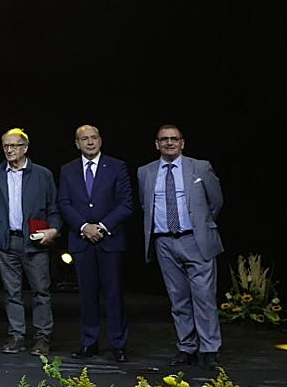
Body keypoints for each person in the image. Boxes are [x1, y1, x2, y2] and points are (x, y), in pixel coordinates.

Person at [137, 124, 224, 368]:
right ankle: (186, 347)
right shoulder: (145, 172)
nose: (169, 143)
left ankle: (209, 348)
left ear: (182, 143)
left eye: (174, 139)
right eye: (164, 139)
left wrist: (201, 226)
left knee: (204, 297)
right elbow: (146, 206)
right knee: (178, 299)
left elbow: (216, 202)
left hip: (195, 239)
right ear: (157, 144)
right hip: (164, 241)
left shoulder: (200, 167)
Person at [57, 124, 135, 362]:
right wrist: (84, 227)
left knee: (113, 294)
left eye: (93, 138)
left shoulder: (116, 166)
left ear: (100, 141)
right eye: (84, 139)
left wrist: (100, 227)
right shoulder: (68, 169)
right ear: (77, 143)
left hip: (109, 240)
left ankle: (117, 344)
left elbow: (125, 204)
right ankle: (89, 342)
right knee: (86, 295)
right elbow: (64, 203)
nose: (89, 142)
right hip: (82, 241)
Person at [0, 128, 62, 357]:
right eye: (6, 146)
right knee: (12, 292)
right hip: (6, 241)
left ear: (25, 148)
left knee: (41, 290)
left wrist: (54, 230)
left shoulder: (42, 174)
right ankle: (17, 335)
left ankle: (42, 337)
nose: (9, 150)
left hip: (35, 241)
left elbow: (53, 209)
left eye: (14, 146)